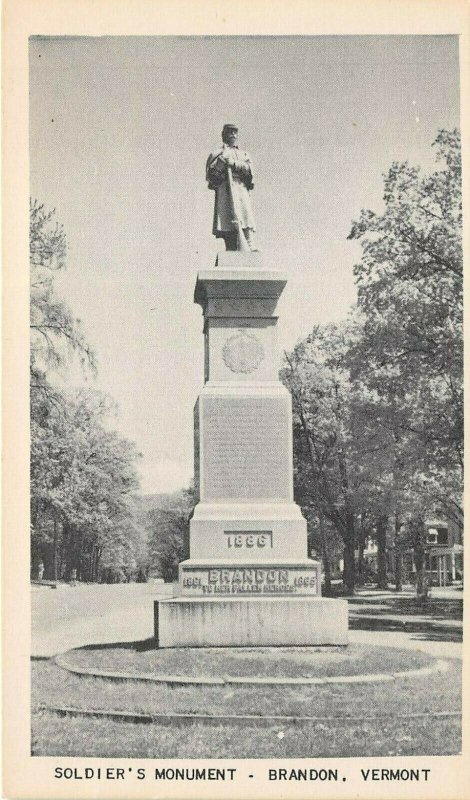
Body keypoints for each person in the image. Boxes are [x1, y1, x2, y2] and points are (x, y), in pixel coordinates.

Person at [206, 124, 258, 251]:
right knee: (227, 219)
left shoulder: (243, 154)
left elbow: (250, 170)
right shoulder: (217, 153)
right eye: (230, 132)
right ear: (224, 135)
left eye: (235, 133)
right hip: (225, 189)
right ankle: (230, 247)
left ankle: (249, 244)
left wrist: (234, 164)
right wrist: (220, 164)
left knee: (245, 216)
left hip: (240, 188)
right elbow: (211, 177)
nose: (233, 135)